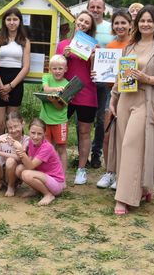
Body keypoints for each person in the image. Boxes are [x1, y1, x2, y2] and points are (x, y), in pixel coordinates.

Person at [109, 5, 154, 215]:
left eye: (149, 21)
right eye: (142, 21)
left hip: (146, 100)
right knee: (123, 145)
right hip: (125, 99)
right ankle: (144, 187)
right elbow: (120, 74)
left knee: (132, 145)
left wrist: (149, 79)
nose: (145, 24)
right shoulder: (130, 46)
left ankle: (124, 198)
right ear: (136, 24)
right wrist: (113, 97)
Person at [56, 10, 97, 185]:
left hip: (87, 92)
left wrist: (94, 58)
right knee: (59, 128)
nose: (83, 24)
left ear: (90, 27)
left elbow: (97, 73)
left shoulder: (94, 47)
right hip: (66, 90)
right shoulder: (63, 45)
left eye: (87, 22)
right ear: (75, 21)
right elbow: (55, 69)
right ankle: (57, 165)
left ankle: (81, 168)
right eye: (81, 20)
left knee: (84, 131)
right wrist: (63, 57)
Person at [96, 9, 132, 190]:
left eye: (123, 23)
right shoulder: (110, 47)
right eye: (116, 23)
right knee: (108, 134)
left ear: (130, 25)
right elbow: (106, 76)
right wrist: (98, 73)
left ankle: (122, 173)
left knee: (126, 136)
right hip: (112, 94)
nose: (120, 26)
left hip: (131, 95)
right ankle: (109, 171)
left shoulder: (135, 44)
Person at [0, 7, 31, 138]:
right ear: (4, 21)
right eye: (8, 19)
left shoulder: (25, 41)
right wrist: (1, 87)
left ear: (20, 21)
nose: (12, 22)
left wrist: (10, 86)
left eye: (15, 19)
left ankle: (12, 149)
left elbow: (26, 67)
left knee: (12, 125)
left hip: (16, 83)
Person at [87, 0, 115, 169]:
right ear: (88, 8)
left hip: (105, 79)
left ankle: (96, 153)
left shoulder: (110, 28)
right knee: (84, 118)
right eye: (92, 7)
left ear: (104, 9)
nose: (95, 10)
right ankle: (83, 154)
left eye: (99, 7)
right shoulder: (84, 25)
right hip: (86, 78)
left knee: (100, 119)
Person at [13, 118, 66, 206]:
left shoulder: (46, 147)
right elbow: (30, 160)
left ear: (44, 134)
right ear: (29, 131)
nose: (35, 136)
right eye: (33, 133)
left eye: (39, 134)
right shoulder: (31, 142)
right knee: (19, 169)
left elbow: (30, 166)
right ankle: (37, 190)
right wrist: (21, 153)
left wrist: (22, 153)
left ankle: (48, 195)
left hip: (56, 183)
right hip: (43, 176)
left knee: (26, 174)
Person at [0, 111, 29, 197]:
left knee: (10, 161)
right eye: (10, 128)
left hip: (15, 175)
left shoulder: (26, 140)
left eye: (16, 126)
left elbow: (19, 158)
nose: (13, 130)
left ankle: (11, 186)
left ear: (22, 124)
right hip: (1, 173)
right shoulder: (3, 138)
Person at [39, 54, 69, 173]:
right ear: (50, 69)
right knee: (46, 147)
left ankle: (62, 176)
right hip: (45, 120)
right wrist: (56, 90)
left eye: (60, 68)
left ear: (65, 69)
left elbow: (60, 106)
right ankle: (47, 173)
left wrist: (53, 100)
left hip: (60, 121)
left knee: (61, 148)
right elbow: (46, 89)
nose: (57, 71)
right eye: (54, 68)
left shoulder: (67, 84)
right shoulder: (46, 77)